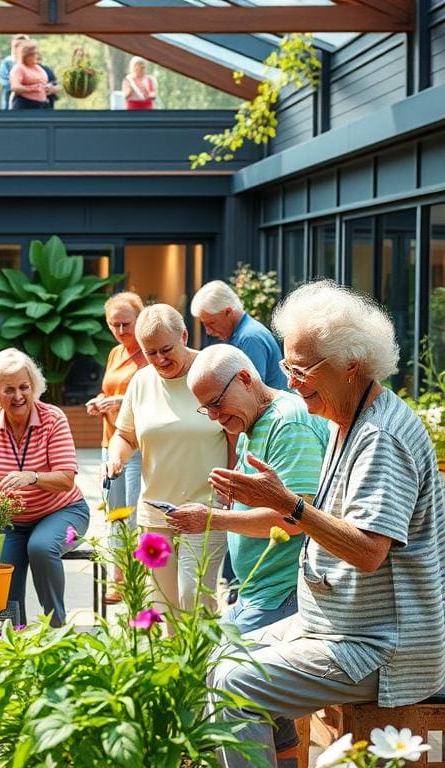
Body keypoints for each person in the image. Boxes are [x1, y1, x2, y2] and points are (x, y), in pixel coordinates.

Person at [208, 281, 445, 768]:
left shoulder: (381, 438)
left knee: (236, 681)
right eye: (288, 367)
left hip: (382, 649)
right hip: (334, 629)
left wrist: (288, 505)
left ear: (351, 363)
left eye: (302, 368)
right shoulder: (347, 420)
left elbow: (368, 551)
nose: (292, 381)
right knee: (218, 652)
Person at [171, 344, 329, 632]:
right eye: (205, 408)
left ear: (245, 378)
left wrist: (211, 519)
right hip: (257, 592)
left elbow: (295, 519)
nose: (213, 417)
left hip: (284, 593)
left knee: (222, 669)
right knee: (205, 656)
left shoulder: (288, 423)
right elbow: (269, 499)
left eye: (217, 403)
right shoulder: (252, 422)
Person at [106, 304, 229, 612]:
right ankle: (172, 661)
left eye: (165, 349)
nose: (160, 360)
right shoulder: (142, 381)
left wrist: (235, 485)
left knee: (194, 598)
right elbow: (125, 435)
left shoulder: (214, 371)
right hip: (155, 512)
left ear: (184, 335)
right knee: (162, 604)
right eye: (150, 353)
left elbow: (237, 434)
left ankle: (207, 662)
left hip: (206, 509)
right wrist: (116, 459)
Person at [0, 348, 89, 627]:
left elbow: (66, 478)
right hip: (11, 521)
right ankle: (15, 638)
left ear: (34, 388)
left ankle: (56, 628)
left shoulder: (53, 418)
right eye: (9, 389)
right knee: (4, 572)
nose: (18, 396)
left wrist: (32, 476)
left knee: (42, 547)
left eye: (24, 387)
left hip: (64, 512)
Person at [85, 292, 147, 604]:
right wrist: (100, 401)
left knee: (133, 514)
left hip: (138, 446)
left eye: (126, 324)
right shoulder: (115, 353)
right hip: (110, 441)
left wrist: (119, 402)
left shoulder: (150, 354)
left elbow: (153, 395)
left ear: (140, 320)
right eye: (114, 325)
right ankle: (119, 576)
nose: (120, 331)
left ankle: (133, 578)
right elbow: (109, 388)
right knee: (113, 512)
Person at [191, 280, 288, 389]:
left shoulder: (249, 338)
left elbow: (250, 390)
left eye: (211, 323)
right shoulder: (244, 334)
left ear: (228, 312)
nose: (208, 331)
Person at [8, 40, 51, 110]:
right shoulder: (18, 68)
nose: (36, 56)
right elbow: (15, 87)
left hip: (42, 105)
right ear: (26, 55)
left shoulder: (38, 67)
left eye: (37, 53)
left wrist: (47, 88)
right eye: (33, 54)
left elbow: (42, 83)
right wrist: (31, 89)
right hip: (25, 105)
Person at [0, 34, 29, 109]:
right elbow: (5, 83)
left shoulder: (31, 63)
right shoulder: (6, 63)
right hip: (10, 106)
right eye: (16, 46)